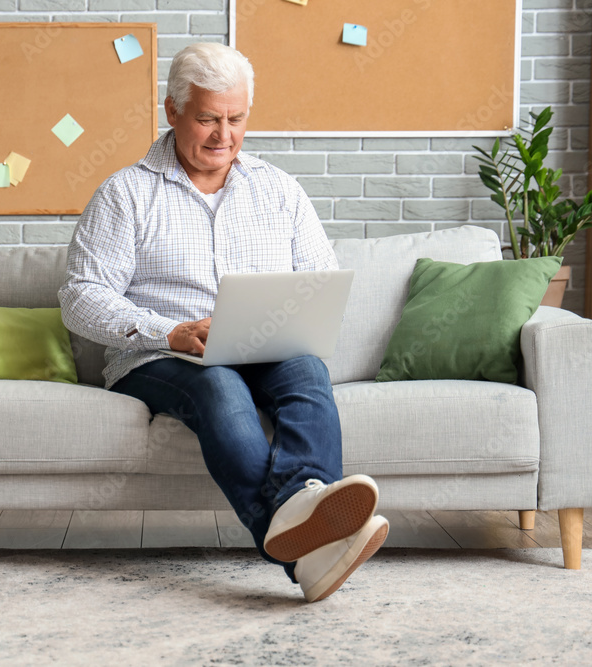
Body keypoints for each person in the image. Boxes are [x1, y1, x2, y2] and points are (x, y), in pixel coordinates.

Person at [58, 42, 388, 602]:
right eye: (208, 118)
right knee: (219, 386)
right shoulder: (126, 194)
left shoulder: (278, 190)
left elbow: (320, 276)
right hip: (162, 355)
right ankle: (309, 536)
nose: (223, 135)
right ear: (172, 112)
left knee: (307, 372)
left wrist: (296, 313)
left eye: (236, 120)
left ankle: (306, 502)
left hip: (266, 345)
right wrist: (168, 331)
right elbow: (81, 297)